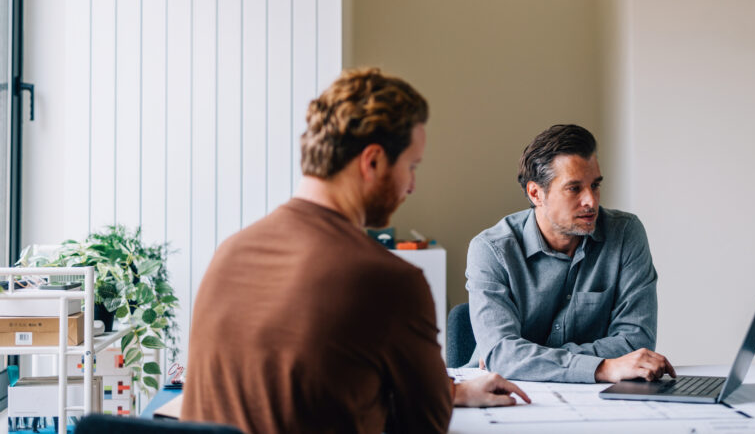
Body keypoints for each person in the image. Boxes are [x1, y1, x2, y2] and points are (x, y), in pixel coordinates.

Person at [182, 68, 528, 434]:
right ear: (373, 161)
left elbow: (304, 385)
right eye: (411, 166)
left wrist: (452, 391)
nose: (411, 185)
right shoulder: (389, 280)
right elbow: (425, 426)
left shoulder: (230, 253)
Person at [465, 124, 675, 383]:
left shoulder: (625, 234)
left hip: (595, 397)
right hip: (505, 391)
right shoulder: (491, 250)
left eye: (595, 185)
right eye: (574, 188)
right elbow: (503, 356)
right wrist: (602, 367)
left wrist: (527, 358)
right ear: (536, 193)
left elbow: (636, 341)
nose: (591, 201)